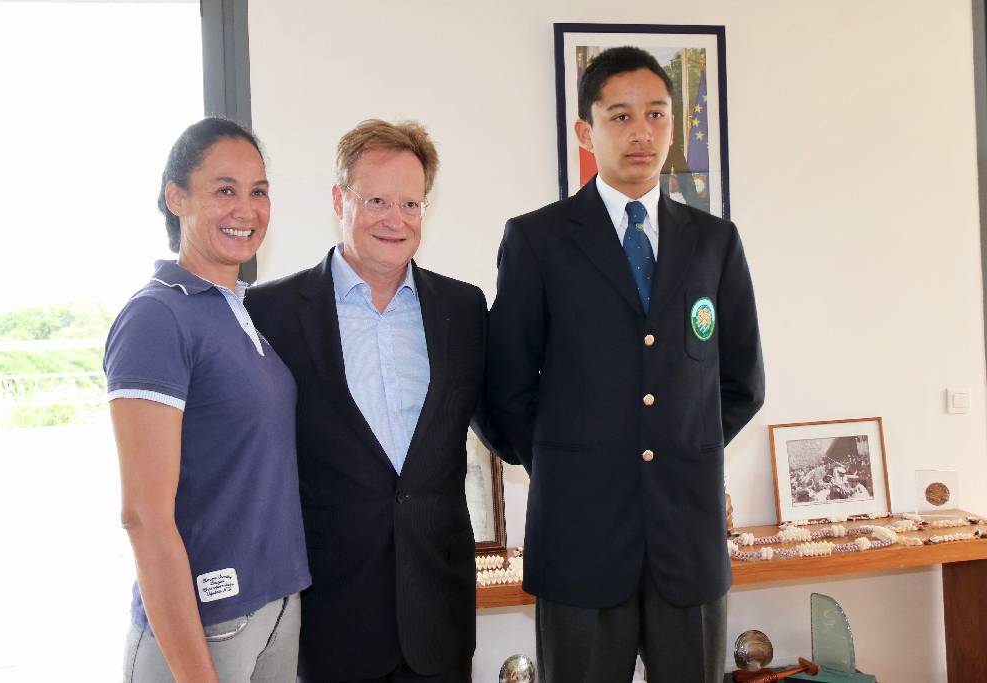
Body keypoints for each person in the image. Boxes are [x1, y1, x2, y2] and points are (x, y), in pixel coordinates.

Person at [486, 46, 765, 683]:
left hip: (687, 541)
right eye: (620, 116)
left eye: (656, 115)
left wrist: (678, 446)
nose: (640, 132)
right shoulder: (539, 239)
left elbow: (741, 380)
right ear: (587, 131)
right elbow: (503, 387)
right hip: (579, 540)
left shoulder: (715, 242)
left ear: (673, 125)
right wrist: (569, 459)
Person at [246, 119, 487, 683]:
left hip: (438, 610)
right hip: (331, 612)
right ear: (339, 200)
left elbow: (503, 421)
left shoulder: (464, 310)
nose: (394, 218)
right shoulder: (272, 313)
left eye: (410, 202)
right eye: (376, 199)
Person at [105, 118, 311, 682]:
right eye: (225, 190)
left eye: (258, 191)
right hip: (202, 626)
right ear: (176, 198)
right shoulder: (156, 316)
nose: (246, 209)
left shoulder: (242, 309)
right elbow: (144, 516)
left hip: (274, 606)